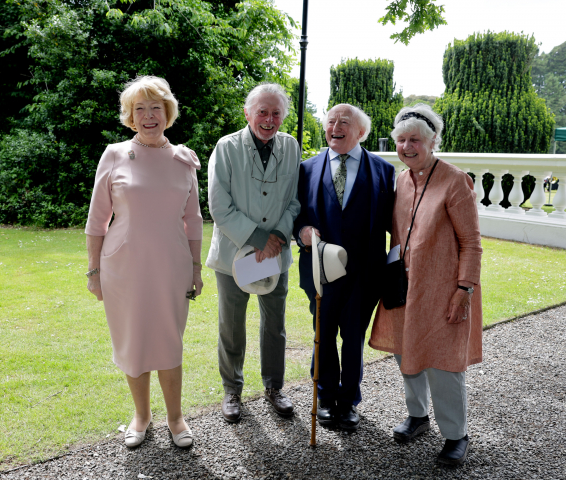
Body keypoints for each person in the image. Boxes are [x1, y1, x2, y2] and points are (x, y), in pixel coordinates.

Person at [85, 76, 203, 449]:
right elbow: (97, 217)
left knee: (168, 339)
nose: (149, 115)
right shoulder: (114, 154)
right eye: (140, 109)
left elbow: (194, 218)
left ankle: (175, 417)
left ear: (168, 113)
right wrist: (93, 270)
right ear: (130, 116)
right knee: (133, 340)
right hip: (123, 267)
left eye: (156, 108)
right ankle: (141, 415)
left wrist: (197, 267)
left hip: (172, 265)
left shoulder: (184, 159)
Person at [369, 104, 483, 465]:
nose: (406, 146)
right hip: (403, 288)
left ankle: (456, 435)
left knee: (443, 364)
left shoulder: (454, 180)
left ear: (433, 141)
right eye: (401, 140)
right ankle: (417, 416)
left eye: (415, 140)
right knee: (407, 353)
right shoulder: (401, 180)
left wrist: (464, 289)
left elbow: (471, 243)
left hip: (444, 289)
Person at [293, 104, 395, 431]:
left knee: (353, 338)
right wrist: (302, 232)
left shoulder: (384, 171)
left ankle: (348, 401)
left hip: (365, 273)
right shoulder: (306, 169)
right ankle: (324, 398)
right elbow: (295, 215)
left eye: (344, 122)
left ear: (361, 132)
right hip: (320, 271)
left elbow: (397, 220)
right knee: (322, 334)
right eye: (331, 121)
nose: (335, 126)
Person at [206, 83, 301, 423]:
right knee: (231, 326)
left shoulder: (291, 147)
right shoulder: (226, 147)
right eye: (262, 111)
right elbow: (219, 206)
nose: (269, 119)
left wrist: (277, 235)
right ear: (247, 113)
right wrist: (259, 237)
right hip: (234, 255)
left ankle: (274, 387)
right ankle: (232, 391)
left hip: (275, 254)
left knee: (274, 325)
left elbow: (294, 201)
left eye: (276, 113)